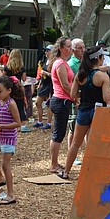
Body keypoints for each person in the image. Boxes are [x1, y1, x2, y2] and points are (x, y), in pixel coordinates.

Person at [60, 47, 110, 179]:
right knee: (95, 144)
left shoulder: (80, 75)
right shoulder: (103, 76)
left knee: (75, 144)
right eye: (102, 57)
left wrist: (84, 92)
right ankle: (93, 173)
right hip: (98, 112)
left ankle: (66, 172)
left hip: (83, 110)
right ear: (98, 58)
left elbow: (73, 95)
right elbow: (107, 98)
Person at [0, 76, 22, 205]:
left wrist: (2, 127)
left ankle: (11, 194)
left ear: (9, 90)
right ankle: (0, 178)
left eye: (0, 91)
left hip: (8, 139)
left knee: (5, 165)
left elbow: (18, 123)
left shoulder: (11, 104)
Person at [48, 36, 74, 174]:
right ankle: (53, 164)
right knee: (58, 134)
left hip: (63, 100)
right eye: (68, 46)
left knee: (59, 133)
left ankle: (55, 162)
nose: (70, 49)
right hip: (60, 100)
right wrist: (76, 97)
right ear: (61, 48)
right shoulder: (59, 63)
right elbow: (65, 85)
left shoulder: (63, 62)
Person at [33, 45, 54, 130]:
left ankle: (48, 122)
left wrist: (46, 73)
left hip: (51, 85)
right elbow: (42, 74)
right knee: (38, 102)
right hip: (44, 84)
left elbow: (55, 75)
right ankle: (40, 121)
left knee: (49, 104)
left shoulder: (54, 62)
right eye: (46, 51)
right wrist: (40, 83)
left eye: (48, 51)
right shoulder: (45, 61)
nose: (46, 52)